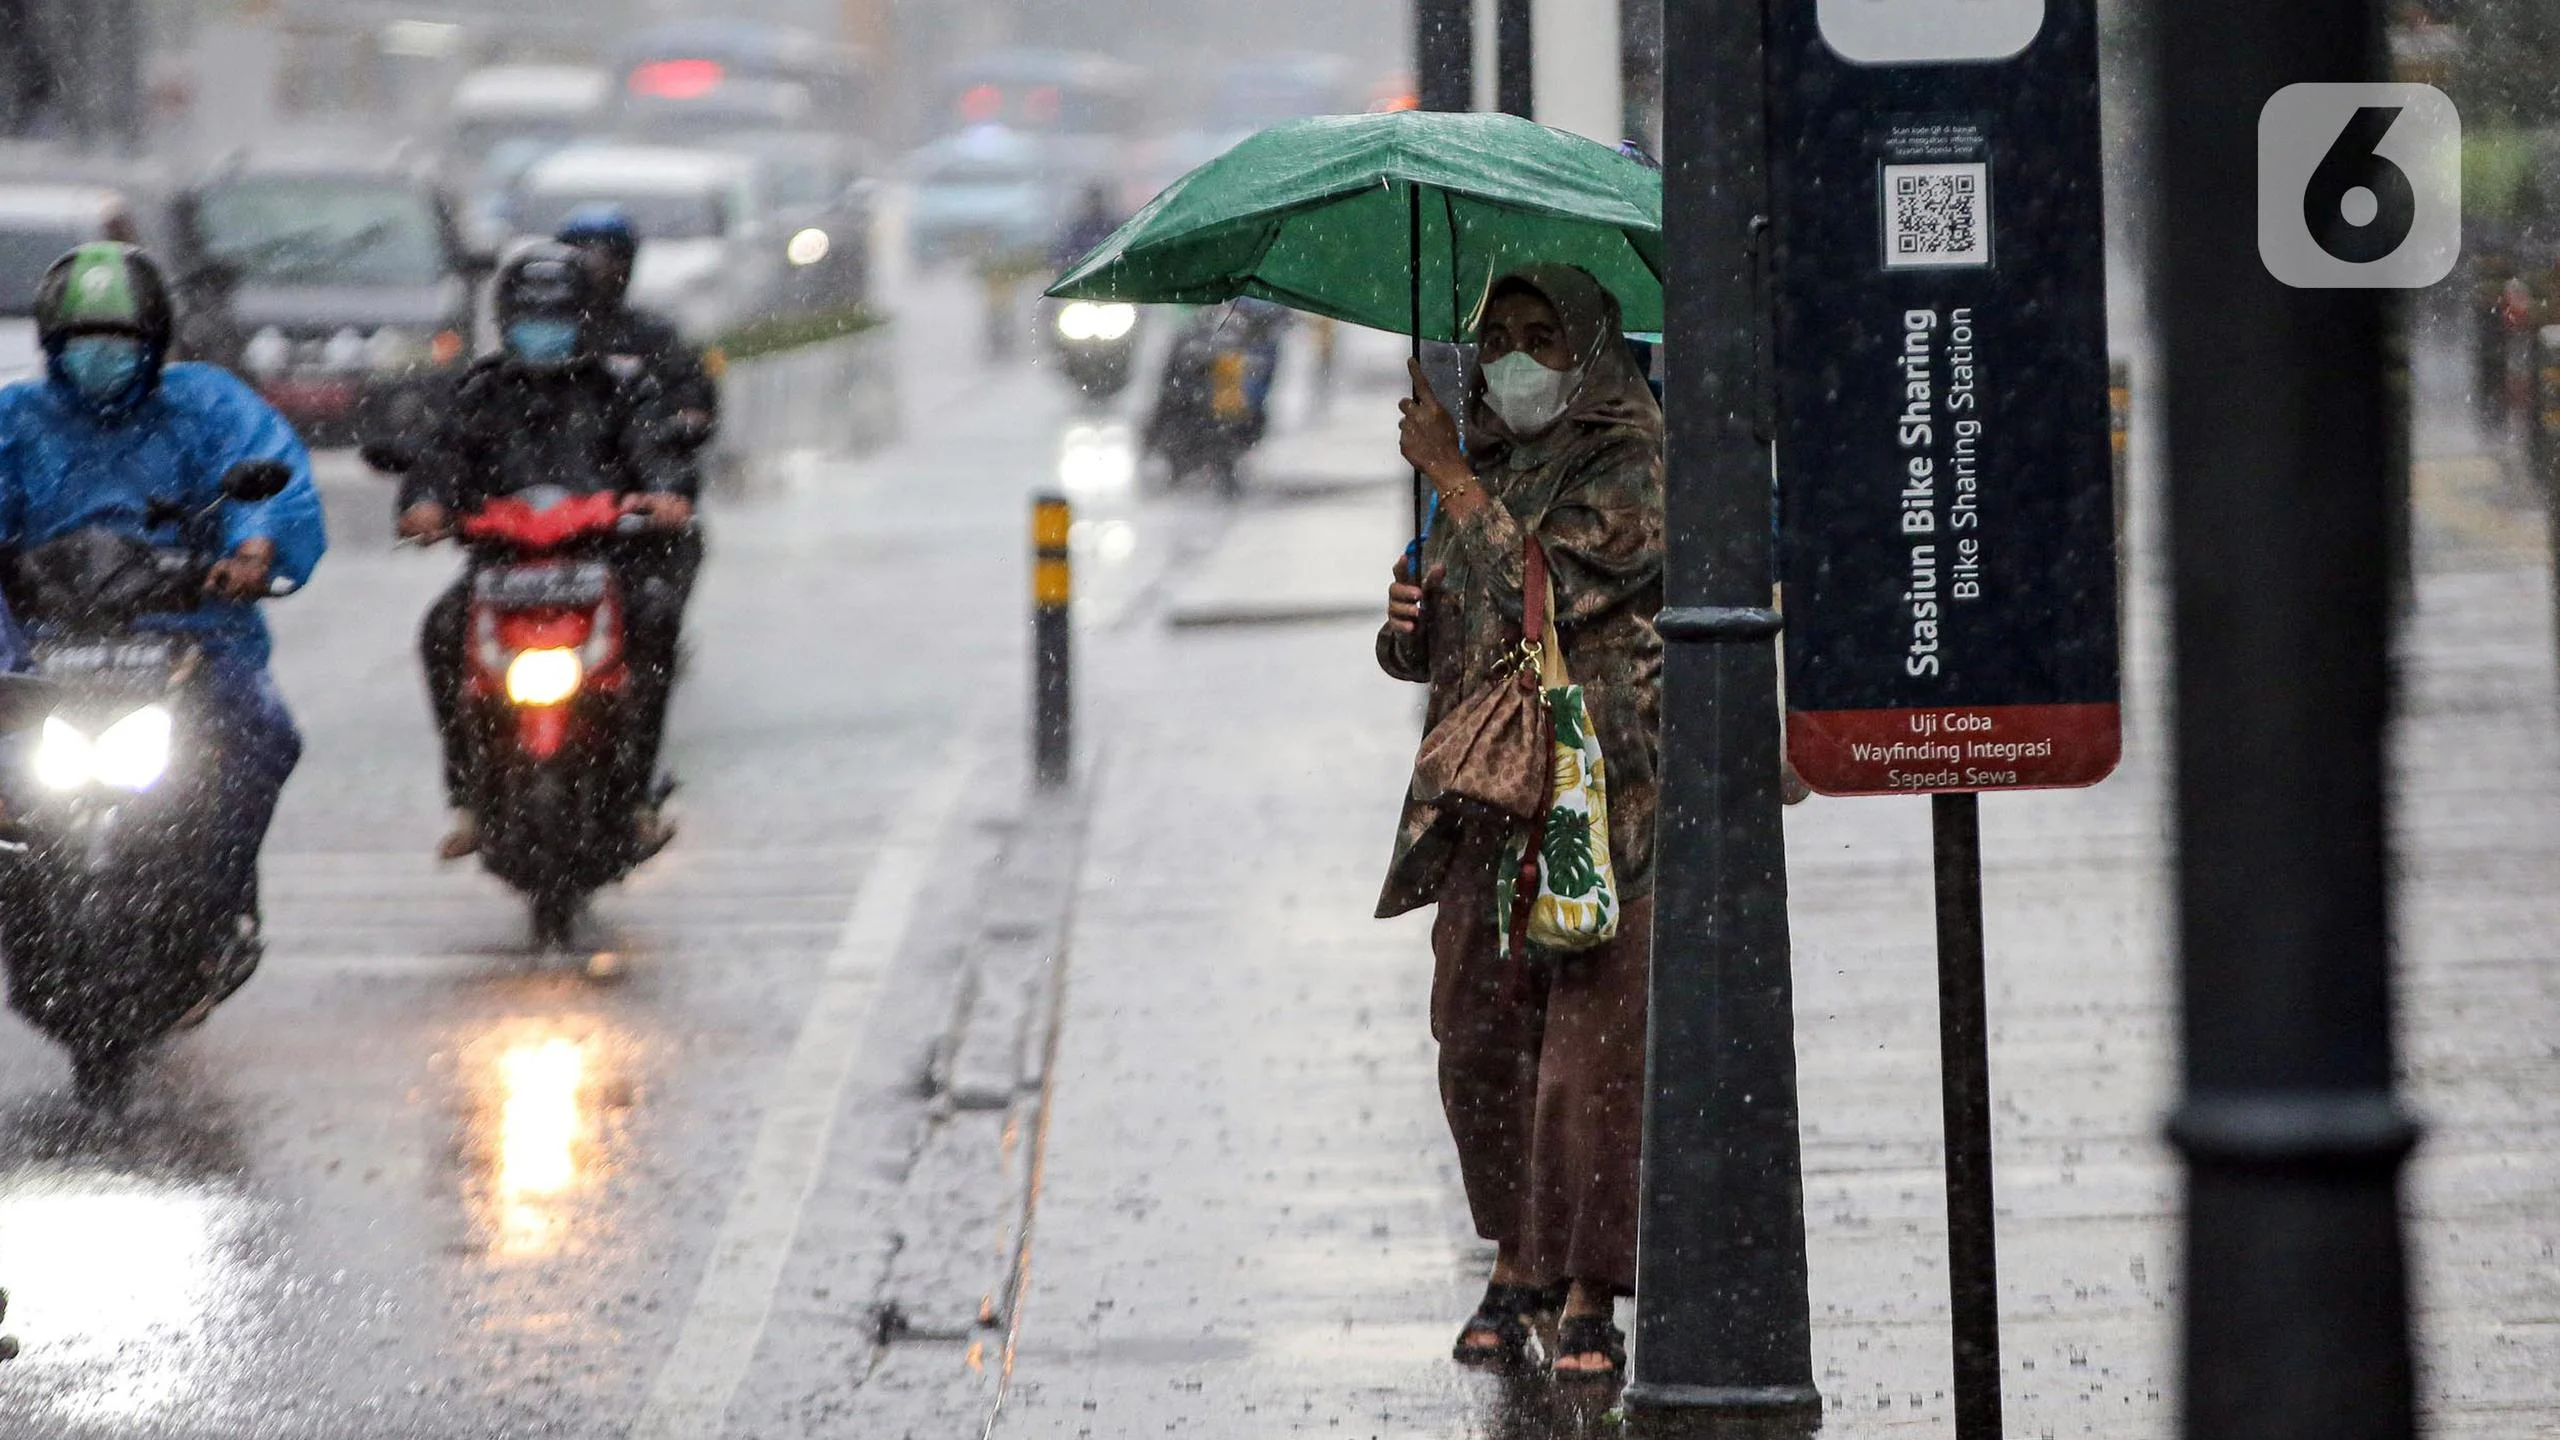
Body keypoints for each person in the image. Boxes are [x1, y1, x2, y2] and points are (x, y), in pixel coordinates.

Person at [1377, 263, 1664, 1382]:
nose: (1513, 357)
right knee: (1478, 1040)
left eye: (1541, 335)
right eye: (1496, 335)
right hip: (1482, 801)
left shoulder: (1631, 459)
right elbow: (1448, 636)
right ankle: (1515, 1256)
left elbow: (1550, 596)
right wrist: (1407, 620)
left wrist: (1449, 478)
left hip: (1600, 800)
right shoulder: (1478, 461)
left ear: (1589, 347)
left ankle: (1587, 1286)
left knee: (1584, 1059)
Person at [0, 241, 326, 945]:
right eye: (83, 343)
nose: (100, 359)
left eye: (118, 344)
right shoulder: (15, 420)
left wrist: (252, 548)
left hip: (189, 640)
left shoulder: (204, 406)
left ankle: (219, 902)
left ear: (152, 345)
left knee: (262, 737)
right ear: (52, 345)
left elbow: (265, 473)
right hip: (40, 649)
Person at [396, 243, 698, 859]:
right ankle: (467, 799)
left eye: (557, 319)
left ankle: (636, 793)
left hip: (601, 565)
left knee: (657, 618)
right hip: (500, 569)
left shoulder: (623, 388)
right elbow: (440, 457)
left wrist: (664, 495)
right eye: (531, 320)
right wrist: (426, 503)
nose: (543, 334)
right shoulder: (480, 392)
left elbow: (658, 452)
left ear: (586, 319)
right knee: (440, 631)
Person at [555, 204, 720, 452]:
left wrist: (677, 424)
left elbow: (692, 399)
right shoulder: (547, 335)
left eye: (610, 257)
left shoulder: (654, 336)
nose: (597, 269)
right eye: (583, 257)